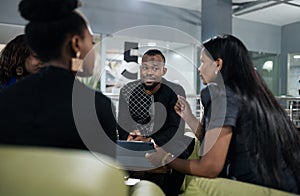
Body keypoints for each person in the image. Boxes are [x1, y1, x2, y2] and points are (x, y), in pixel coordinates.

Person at [146, 34, 300, 194]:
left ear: (218, 64)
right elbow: (213, 145)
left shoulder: (222, 96)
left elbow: (210, 167)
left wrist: (167, 159)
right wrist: (189, 117)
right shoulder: (250, 95)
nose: (199, 68)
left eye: (203, 62)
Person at [0, 0, 117, 157]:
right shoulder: (97, 106)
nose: (93, 52)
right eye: (91, 42)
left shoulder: (6, 99)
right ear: (76, 44)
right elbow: (105, 174)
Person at [117, 49, 194, 196]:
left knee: (181, 151)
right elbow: (122, 123)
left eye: (155, 68)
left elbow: (176, 127)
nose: (149, 72)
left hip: (167, 140)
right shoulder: (127, 90)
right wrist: (131, 136)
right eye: (145, 67)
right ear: (140, 70)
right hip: (136, 141)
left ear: (163, 71)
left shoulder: (175, 91)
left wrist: (151, 140)